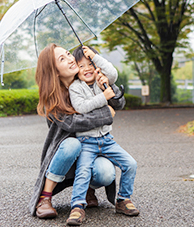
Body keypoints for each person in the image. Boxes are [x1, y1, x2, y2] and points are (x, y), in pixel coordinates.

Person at [29, 43, 124, 220]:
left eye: (67, 53)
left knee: (106, 173)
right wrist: (106, 113)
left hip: (92, 148)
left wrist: (106, 84)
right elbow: (73, 124)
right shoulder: (53, 99)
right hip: (66, 154)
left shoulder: (86, 80)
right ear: (54, 71)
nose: (71, 59)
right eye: (62, 59)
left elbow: (118, 103)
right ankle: (44, 197)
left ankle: (87, 189)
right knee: (73, 144)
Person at [66, 45, 139, 226]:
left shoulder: (102, 80)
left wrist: (98, 63)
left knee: (130, 164)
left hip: (106, 139)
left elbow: (113, 74)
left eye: (90, 62)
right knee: (82, 172)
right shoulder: (75, 87)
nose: (87, 68)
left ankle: (123, 199)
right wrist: (104, 96)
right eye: (81, 66)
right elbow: (81, 108)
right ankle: (77, 206)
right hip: (86, 141)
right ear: (76, 70)